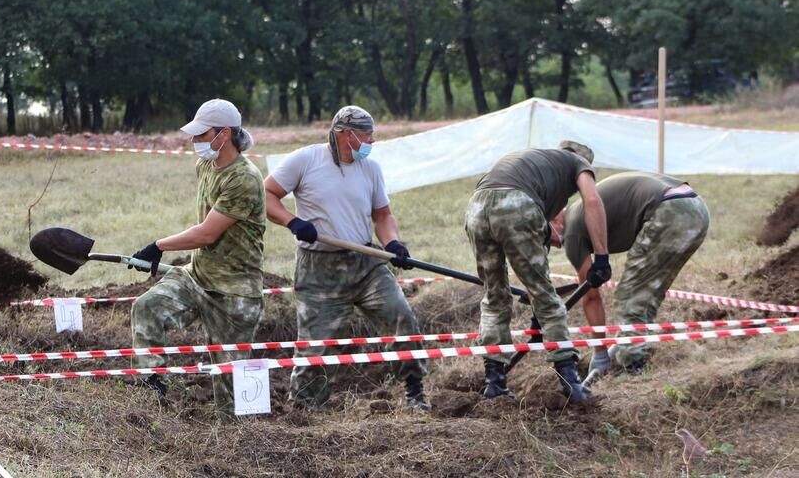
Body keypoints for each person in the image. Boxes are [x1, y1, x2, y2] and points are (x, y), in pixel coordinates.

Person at [264, 105, 429, 410]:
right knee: (316, 345)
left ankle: (415, 391)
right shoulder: (305, 160)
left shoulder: (371, 169)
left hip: (366, 265)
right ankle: (305, 406)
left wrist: (393, 242)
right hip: (319, 269)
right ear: (347, 134)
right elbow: (267, 196)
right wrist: (293, 222)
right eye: (368, 135)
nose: (373, 142)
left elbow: (382, 214)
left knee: (402, 317)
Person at [128, 99, 265, 419]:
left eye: (201, 134)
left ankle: (246, 440)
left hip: (236, 289)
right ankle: (151, 386)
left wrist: (158, 245)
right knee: (147, 307)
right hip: (199, 273)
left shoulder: (244, 178)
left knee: (234, 401)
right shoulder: (205, 165)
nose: (194, 141)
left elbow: (207, 234)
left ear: (225, 134)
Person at [464, 141, 611, 404]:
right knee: (546, 296)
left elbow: (542, 233)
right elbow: (592, 199)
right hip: (516, 203)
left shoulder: (537, 162)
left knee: (494, 297)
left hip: (476, 207)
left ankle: (494, 383)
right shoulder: (577, 164)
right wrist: (601, 256)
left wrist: (537, 315)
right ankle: (571, 385)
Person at [552, 171, 710, 375]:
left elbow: (590, 297)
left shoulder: (572, 229)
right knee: (648, 291)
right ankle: (632, 341)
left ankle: (632, 368)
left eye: (547, 238)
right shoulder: (579, 210)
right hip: (696, 208)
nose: (554, 246)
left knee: (629, 294)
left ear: (555, 218)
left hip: (668, 210)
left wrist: (599, 353)